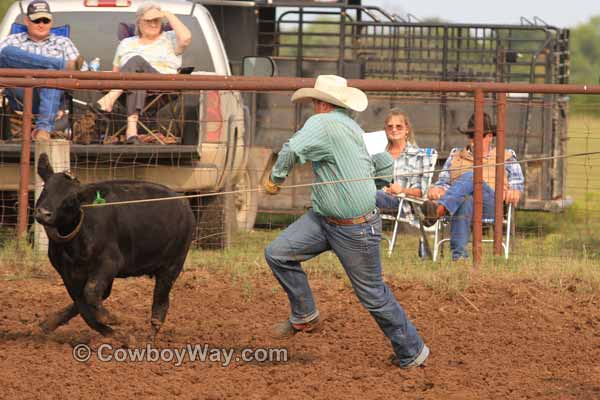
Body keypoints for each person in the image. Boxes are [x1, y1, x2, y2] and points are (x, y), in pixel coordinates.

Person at [262, 75, 429, 368]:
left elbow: (290, 150)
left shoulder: (321, 123)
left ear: (320, 102)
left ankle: (412, 351)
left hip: (352, 226)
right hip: (328, 219)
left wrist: (275, 179)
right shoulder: (351, 126)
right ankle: (304, 316)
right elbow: (381, 164)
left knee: (373, 294)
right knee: (279, 253)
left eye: (314, 101)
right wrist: (381, 181)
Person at [421, 112, 524, 261]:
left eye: (479, 135)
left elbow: (517, 184)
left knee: (472, 176)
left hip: (491, 205)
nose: (474, 140)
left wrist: (514, 192)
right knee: (465, 200)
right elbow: (443, 183)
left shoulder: (506, 155)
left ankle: (439, 210)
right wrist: (437, 189)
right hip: (459, 205)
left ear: (489, 136)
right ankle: (460, 258)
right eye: (470, 135)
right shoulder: (455, 155)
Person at [89, 2, 191, 144]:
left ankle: (108, 101)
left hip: (163, 88)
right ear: (139, 22)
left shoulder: (170, 38)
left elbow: (186, 38)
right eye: (149, 20)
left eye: (157, 20)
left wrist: (166, 13)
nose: (154, 24)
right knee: (135, 77)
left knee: (136, 61)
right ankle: (132, 133)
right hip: (130, 89)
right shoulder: (126, 43)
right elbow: (116, 73)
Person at [0, 0, 81, 141]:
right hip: (19, 94)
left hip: (53, 95)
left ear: (51, 21)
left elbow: (82, 71)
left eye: (45, 20)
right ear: (27, 21)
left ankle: (43, 130)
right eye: (37, 20)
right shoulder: (12, 40)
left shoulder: (63, 42)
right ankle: (58, 64)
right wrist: (61, 67)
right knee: (6, 52)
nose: (41, 24)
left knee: (50, 76)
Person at [375, 109, 428, 216]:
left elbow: (422, 191)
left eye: (399, 126)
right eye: (390, 126)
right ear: (385, 130)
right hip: (376, 198)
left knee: (368, 195)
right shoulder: (378, 153)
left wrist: (401, 190)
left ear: (407, 129)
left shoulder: (418, 155)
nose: (394, 129)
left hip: (402, 204)